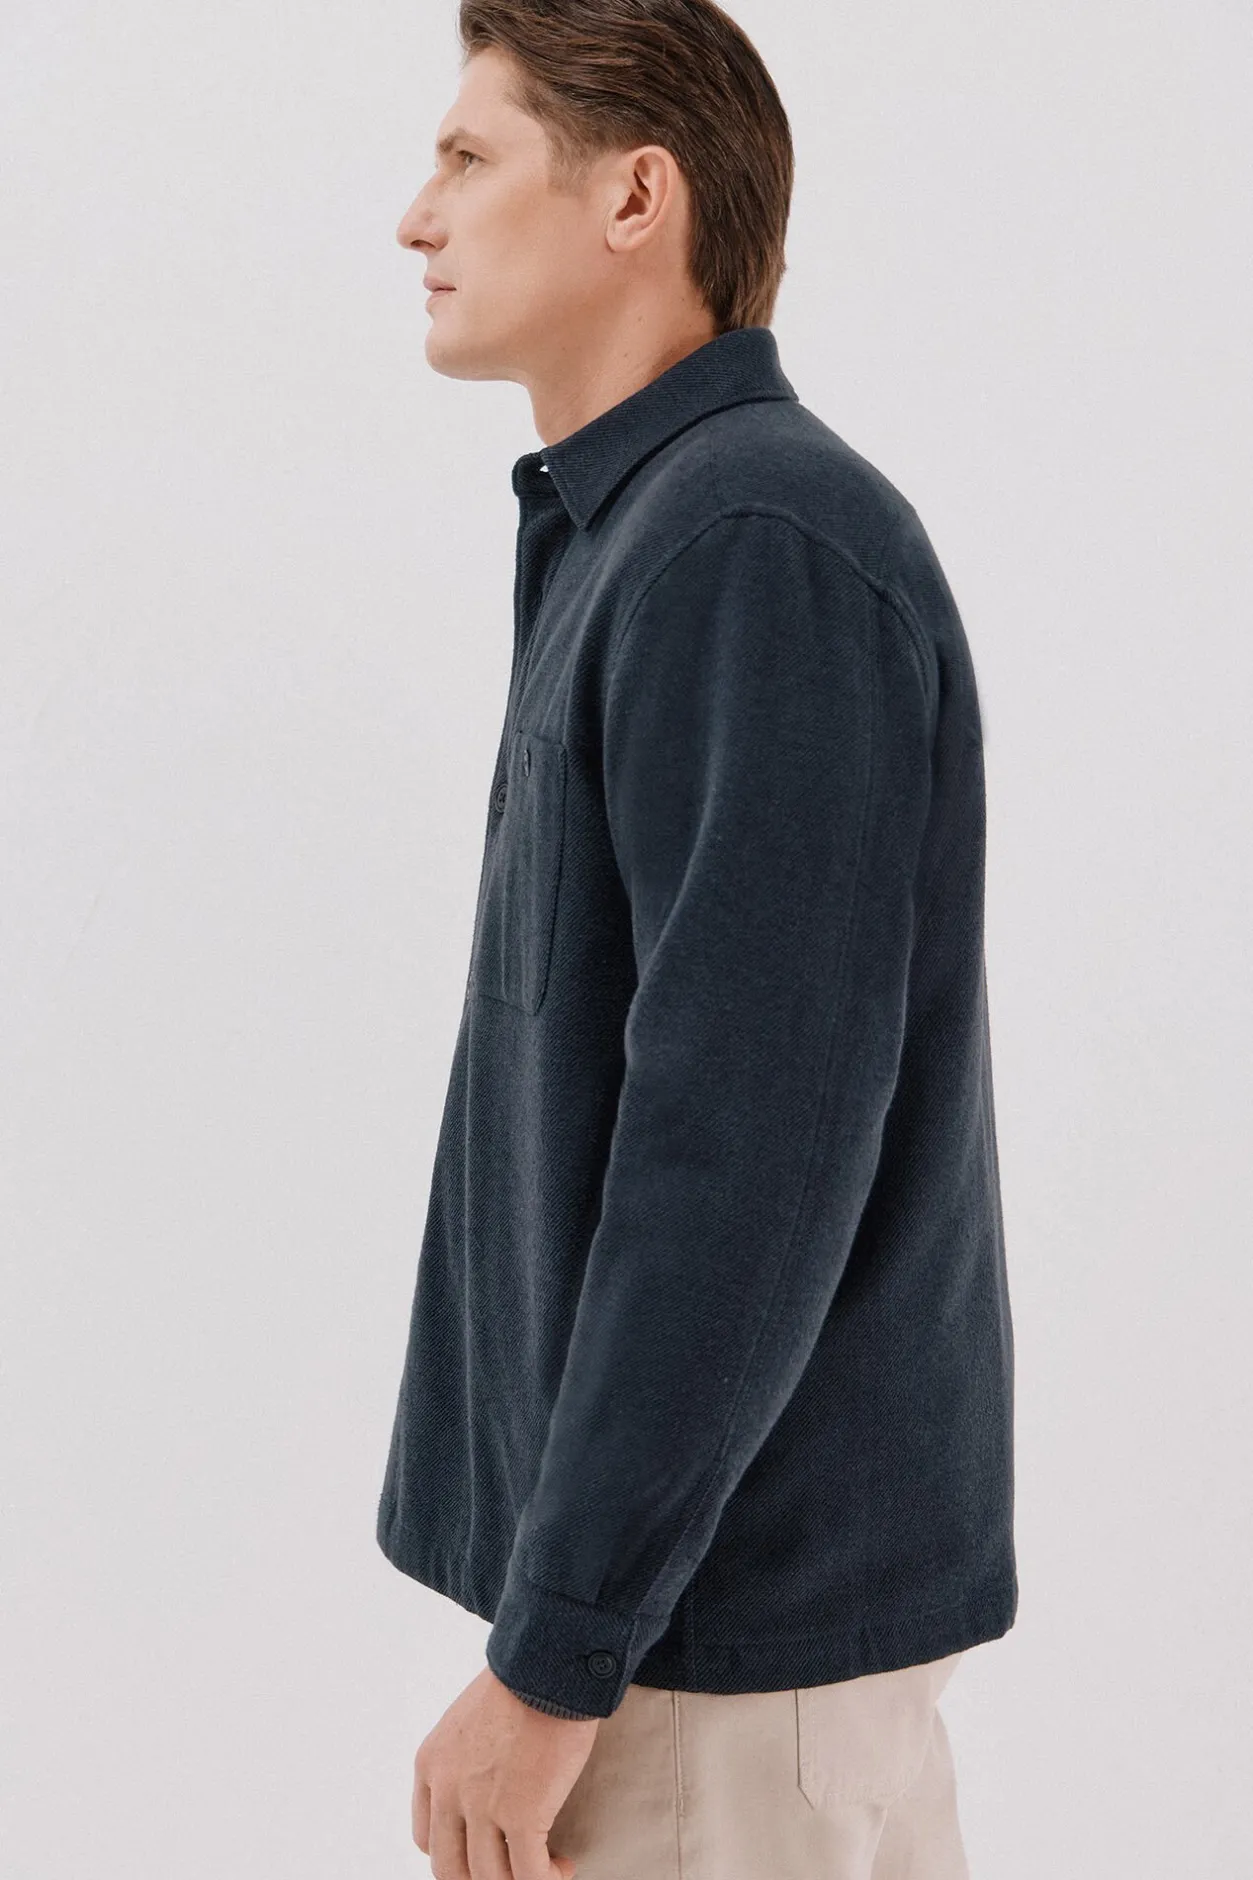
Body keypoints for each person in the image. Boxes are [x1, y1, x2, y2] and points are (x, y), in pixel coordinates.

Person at [377, 4, 1016, 1876]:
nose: (416, 215)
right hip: (699, 1649)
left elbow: (743, 1153)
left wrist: (556, 1658)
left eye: (469, 157)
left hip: (711, 1677)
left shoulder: (752, 543)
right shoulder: (660, 532)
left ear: (636, 197)